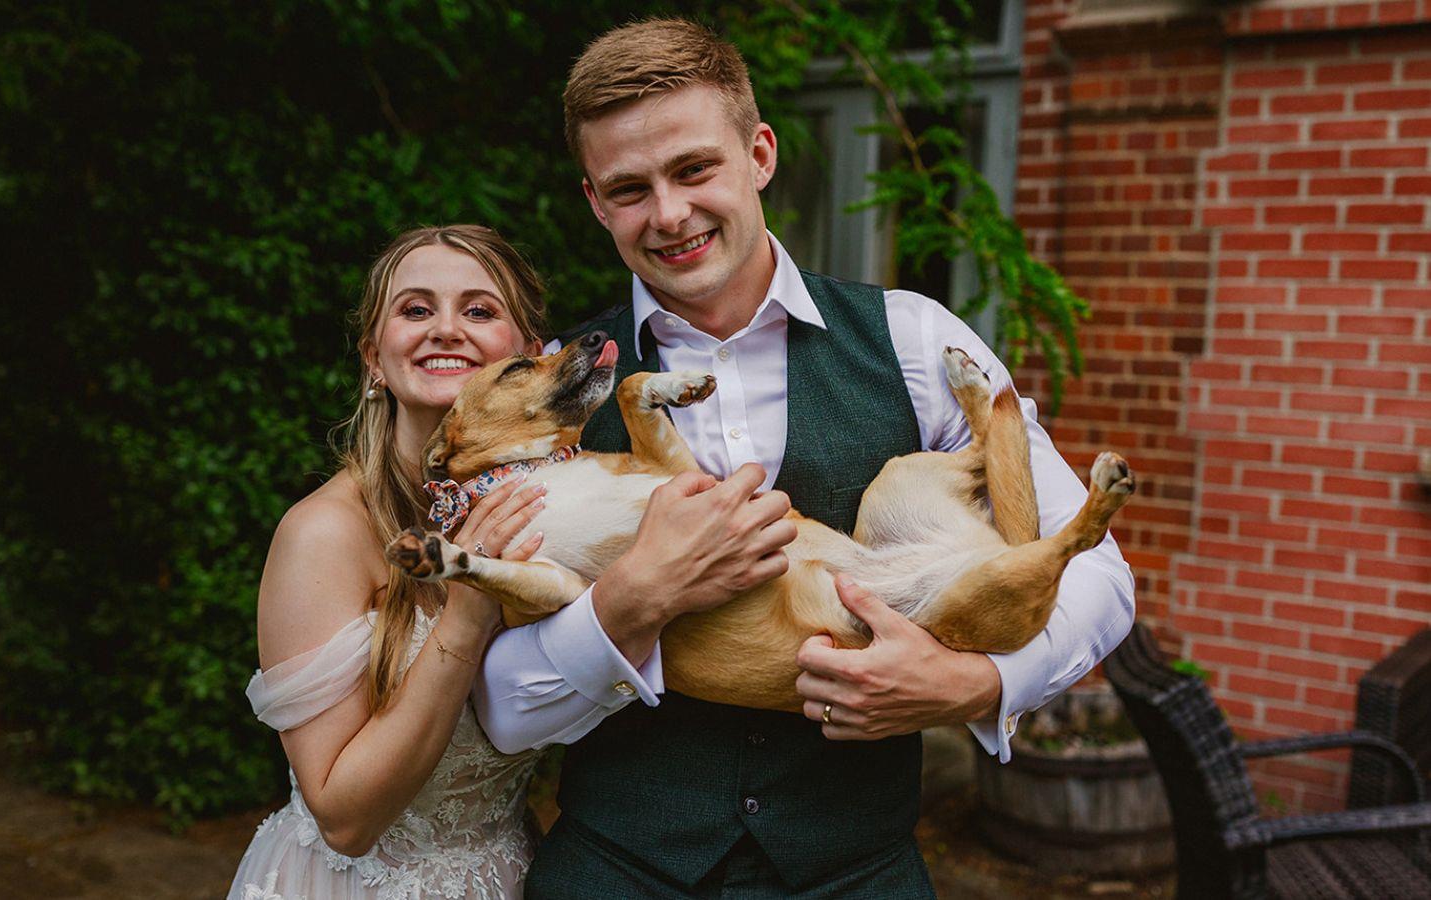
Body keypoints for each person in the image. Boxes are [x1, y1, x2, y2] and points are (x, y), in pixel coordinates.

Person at [472, 19, 1136, 898]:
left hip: (860, 875)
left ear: (760, 153)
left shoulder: (909, 336)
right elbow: (501, 708)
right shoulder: (557, 389)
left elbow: (1104, 576)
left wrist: (973, 683)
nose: (668, 214)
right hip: (617, 872)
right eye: (629, 188)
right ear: (595, 201)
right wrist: (631, 603)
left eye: (695, 169)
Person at [229, 224, 554, 900]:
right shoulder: (321, 534)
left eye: (478, 310)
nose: (445, 329)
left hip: (515, 873)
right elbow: (344, 819)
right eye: (416, 309)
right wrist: (466, 615)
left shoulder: (544, 512)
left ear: (528, 356)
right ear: (376, 357)